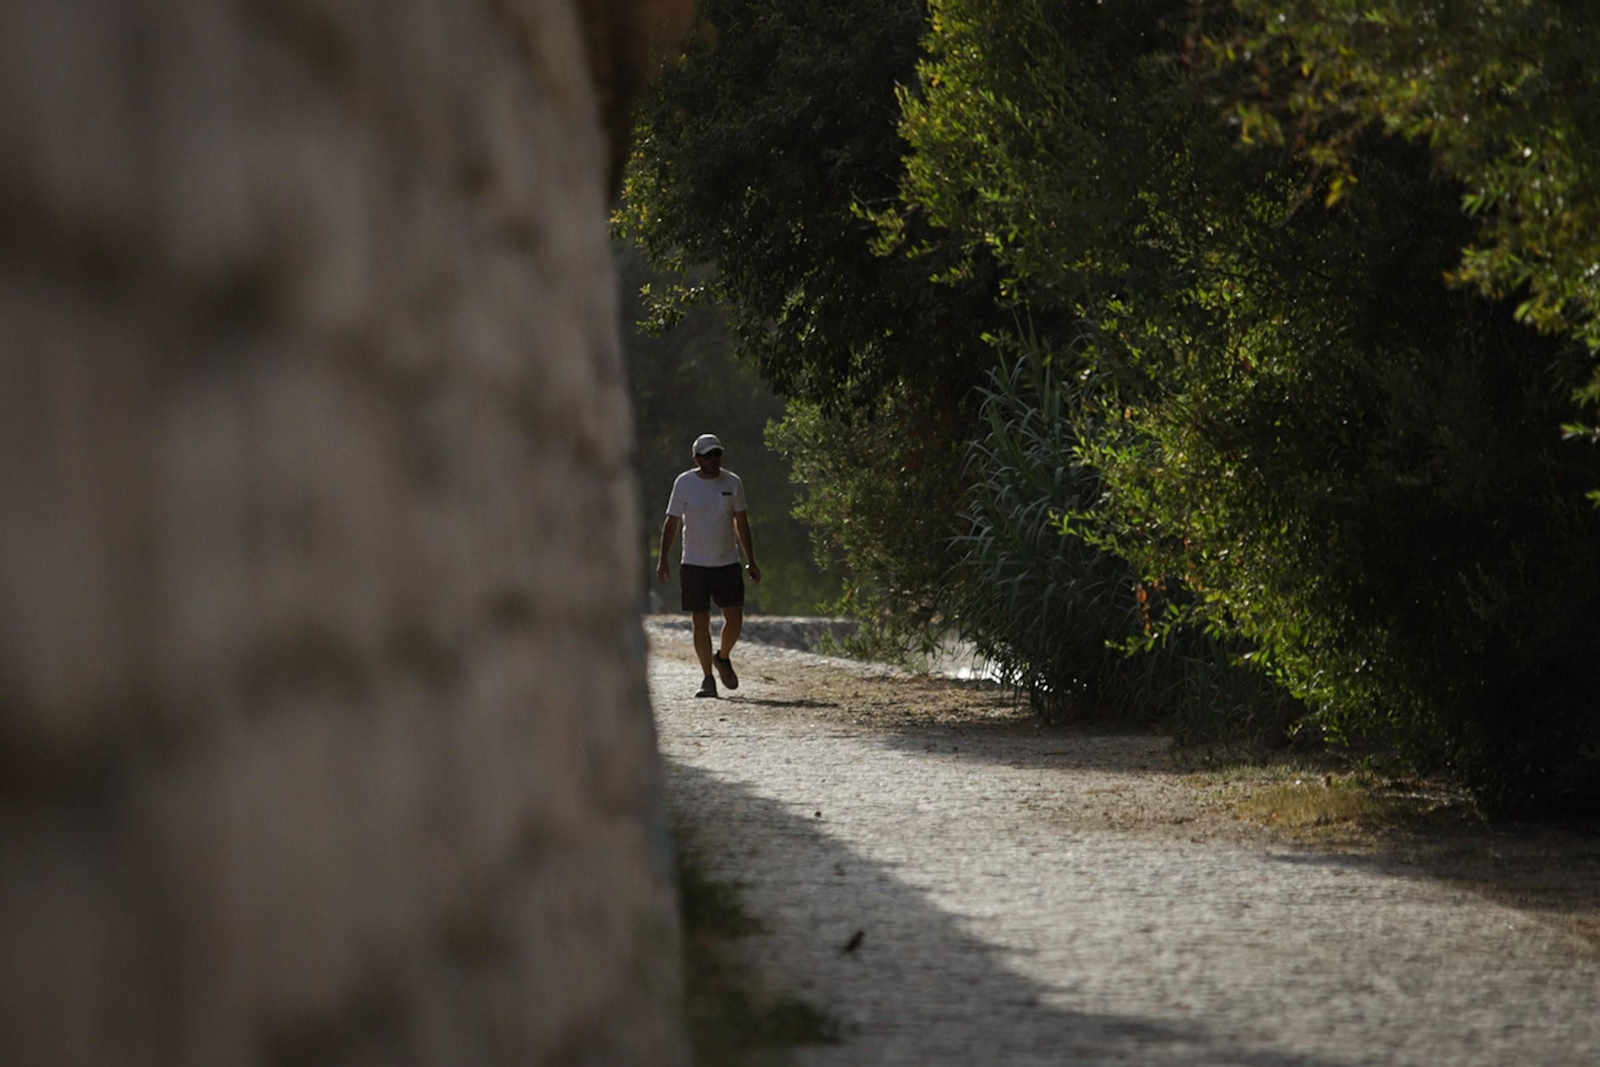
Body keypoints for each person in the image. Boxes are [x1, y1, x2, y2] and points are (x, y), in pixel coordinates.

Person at [656, 433, 762, 698]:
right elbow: (672, 522)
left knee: (735, 618)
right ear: (697, 459)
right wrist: (663, 559)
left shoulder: (733, 482)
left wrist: (751, 560)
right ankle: (707, 678)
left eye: (718, 454)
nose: (714, 460)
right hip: (694, 562)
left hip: (727, 561)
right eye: (709, 455)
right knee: (700, 619)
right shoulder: (684, 483)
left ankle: (722, 657)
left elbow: (741, 522)